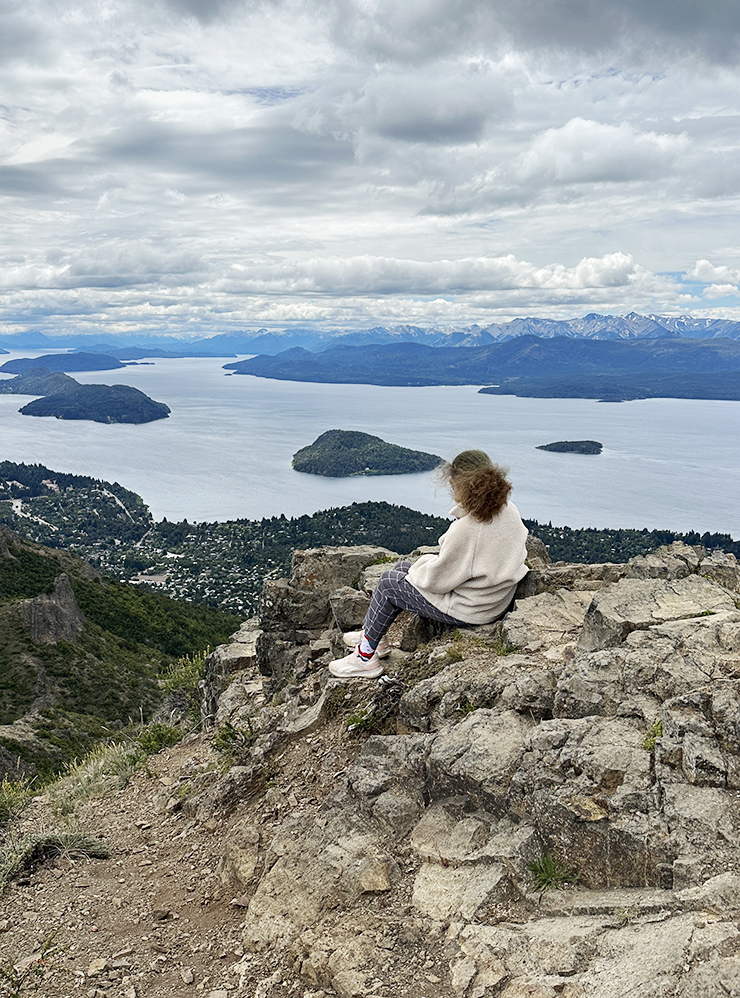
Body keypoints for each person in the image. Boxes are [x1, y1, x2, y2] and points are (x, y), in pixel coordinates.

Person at [329, 449, 529, 679]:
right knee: (402, 570)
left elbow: (437, 579)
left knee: (388, 583)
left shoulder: (467, 529)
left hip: (473, 609)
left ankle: (365, 658)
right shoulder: (509, 510)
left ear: (458, 485)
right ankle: (374, 636)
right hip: (494, 598)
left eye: (453, 486)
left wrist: (421, 565)